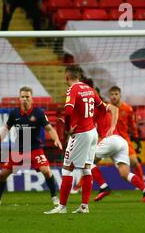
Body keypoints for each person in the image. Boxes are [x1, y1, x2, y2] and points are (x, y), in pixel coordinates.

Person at [44, 65, 118, 215]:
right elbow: (102, 108)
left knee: (67, 169)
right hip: (92, 132)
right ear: (79, 76)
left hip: (81, 134)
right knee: (86, 168)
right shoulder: (90, 89)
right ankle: (84, 206)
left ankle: (62, 207)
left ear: (66, 77)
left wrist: (68, 128)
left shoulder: (73, 90)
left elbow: (68, 110)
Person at [0, 86, 62, 207]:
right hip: (19, 149)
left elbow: (49, 128)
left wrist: (56, 139)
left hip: (35, 148)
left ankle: (54, 197)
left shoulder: (39, 113)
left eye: (27, 97)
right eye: (22, 97)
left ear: (32, 99)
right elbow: (5, 129)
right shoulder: (14, 113)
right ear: (19, 98)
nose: (25, 99)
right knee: (2, 174)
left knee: (46, 171)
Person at [92, 86, 145, 202]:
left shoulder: (99, 107)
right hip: (120, 141)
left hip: (111, 140)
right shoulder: (103, 107)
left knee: (86, 162)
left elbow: (114, 111)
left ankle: (103, 187)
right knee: (125, 173)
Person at [107, 86, 145, 184]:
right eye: (112, 94)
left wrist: (136, 138)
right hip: (110, 140)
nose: (114, 96)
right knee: (91, 161)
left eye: (116, 94)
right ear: (109, 96)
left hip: (125, 140)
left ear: (120, 95)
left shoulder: (127, 109)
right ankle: (79, 186)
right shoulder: (106, 108)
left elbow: (132, 125)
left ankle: (142, 185)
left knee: (135, 162)